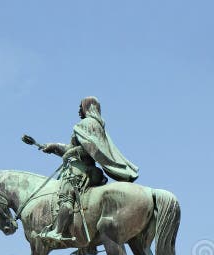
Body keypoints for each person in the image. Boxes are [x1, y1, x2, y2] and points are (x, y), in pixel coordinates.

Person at [37, 96, 139, 247]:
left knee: (66, 197)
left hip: (82, 170)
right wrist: (54, 147)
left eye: (81, 107)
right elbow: (79, 147)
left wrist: (67, 152)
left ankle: (57, 231)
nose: (79, 110)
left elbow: (89, 149)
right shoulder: (95, 125)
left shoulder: (86, 123)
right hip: (92, 171)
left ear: (88, 107)